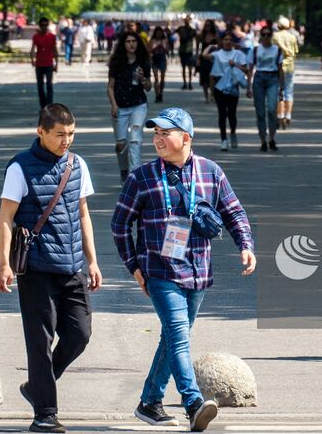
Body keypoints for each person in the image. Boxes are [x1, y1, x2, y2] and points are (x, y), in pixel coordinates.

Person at [111, 107, 256, 432]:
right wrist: (134, 265)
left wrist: (245, 245)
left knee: (173, 337)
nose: (158, 139)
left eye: (166, 133)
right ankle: (193, 403)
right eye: (156, 134)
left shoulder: (210, 172)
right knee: (178, 335)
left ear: (185, 138)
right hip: (160, 271)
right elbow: (120, 224)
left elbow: (234, 211)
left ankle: (150, 401)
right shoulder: (142, 177)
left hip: (198, 271)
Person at [0, 103, 102, 434]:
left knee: (80, 334)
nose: (66, 141)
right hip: (37, 269)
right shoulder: (20, 168)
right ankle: (45, 412)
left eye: (71, 134)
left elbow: (83, 213)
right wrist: (3, 264)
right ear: (40, 132)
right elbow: (5, 218)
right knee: (39, 342)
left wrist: (93, 260)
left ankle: (37, 386)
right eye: (60, 135)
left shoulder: (77, 164)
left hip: (72, 267)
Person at [108, 30, 152, 181]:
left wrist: (143, 79)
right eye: (128, 41)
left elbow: (148, 87)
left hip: (138, 105)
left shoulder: (143, 62)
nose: (131, 44)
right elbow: (110, 86)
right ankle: (124, 170)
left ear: (138, 43)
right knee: (121, 144)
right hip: (120, 107)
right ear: (123, 44)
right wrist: (113, 105)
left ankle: (134, 177)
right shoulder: (116, 62)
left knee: (135, 139)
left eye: (134, 41)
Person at [209, 33, 248, 150]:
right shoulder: (217, 54)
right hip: (219, 88)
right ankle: (223, 140)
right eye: (225, 39)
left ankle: (233, 133)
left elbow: (247, 70)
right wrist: (212, 45)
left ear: (233, 42)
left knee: (231, 114)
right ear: (222, 42)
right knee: (222, 114)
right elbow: (204, 56)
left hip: (233, 87)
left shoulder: (239, 54)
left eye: (230, 40)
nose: (227, 41)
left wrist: (235, 64)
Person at [249, 26, 284, 152]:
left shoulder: (277, 50)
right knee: (260, 113)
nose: (265, 37)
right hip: (259, 78)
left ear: (271, 36)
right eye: (263, 34)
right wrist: (249, 86)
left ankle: (272, 138)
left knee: (271, 109)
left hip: (272, 79)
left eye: (268, 34)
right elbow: (250, 68)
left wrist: (282, 88)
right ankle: (263, 140)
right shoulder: (255, 50)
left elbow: (280, 69)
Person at [273, 16, 301, 129]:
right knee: (289, 92)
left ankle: (280, 116)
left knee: (279, 92)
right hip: (289, 67)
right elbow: (296, 51)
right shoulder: (292, 37)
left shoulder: (274, 37)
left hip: (277, 67)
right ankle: (288, 116)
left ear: (278, 26)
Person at [31, 18, 59, 110]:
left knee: (49, 85)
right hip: (39, 64)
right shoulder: (36, 36)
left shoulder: (52, 36)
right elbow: (33, 49)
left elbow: (55, 50)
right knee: (40, 87)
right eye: (42, 25)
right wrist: (32, 60)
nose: (43, 27)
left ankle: (49, 105)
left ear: (47, 26)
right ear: (39, 26)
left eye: (45, 25)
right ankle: (43, 106)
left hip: (49, 64)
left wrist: (56, 63)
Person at [197, 21, 218, 104]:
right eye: (206, 25)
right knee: (204, 78)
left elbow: (219, 46)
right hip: (203, 58)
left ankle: (212, 94)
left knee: (213, 77)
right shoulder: (201, 35)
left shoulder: (215, 35)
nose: (207, 26)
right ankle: (206, 96)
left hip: (213, 58)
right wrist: (197, 59)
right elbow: (198, 48)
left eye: (209, 25)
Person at [177, 18, 197, 90]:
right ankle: (185, 83)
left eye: (188, 20)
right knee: (184, 68)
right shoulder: (181, 28)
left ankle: (189, 83)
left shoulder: (192, 30)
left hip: (189, 50)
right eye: (185, 20)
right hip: (183, 50)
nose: (186, 21)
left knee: (189, 68)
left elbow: (196, 38)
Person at [150, 32, 169, 104]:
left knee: (162, 78)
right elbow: (149, 50)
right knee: (156, 79)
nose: (159, 34)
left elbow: (167, 51)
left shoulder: (165, 40)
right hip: (155, 60)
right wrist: (155, 46)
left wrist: (163, 46)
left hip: (162, 60)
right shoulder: (152, 40)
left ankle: (161, 93)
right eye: (157, 32)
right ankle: (157, 95)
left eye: (160, 32)